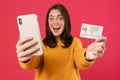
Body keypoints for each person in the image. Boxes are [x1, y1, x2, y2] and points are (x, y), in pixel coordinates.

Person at [16, 4, 107, 80]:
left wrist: (87, 55)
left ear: (66, 21)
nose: (55, 22)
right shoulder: (41, 44)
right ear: (47, 22)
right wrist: (26, 58)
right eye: (51, 18)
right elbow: (32, 64)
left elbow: (80, 60)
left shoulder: (75, 42)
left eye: (60, 18)